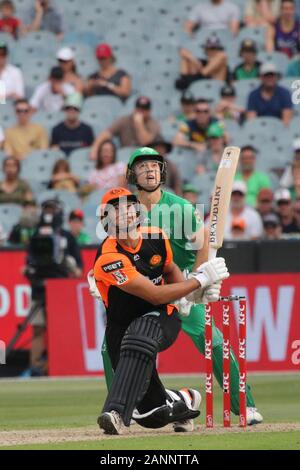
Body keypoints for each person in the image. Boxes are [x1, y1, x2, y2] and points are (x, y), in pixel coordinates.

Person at [99, 148, 263, 428]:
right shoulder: (123, 207)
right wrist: (98, 281)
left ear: (162, 172)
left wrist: (200, 282)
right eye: (142, 167)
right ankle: (126, 410)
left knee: (214, 341)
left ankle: (245, 407)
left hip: (180, 285)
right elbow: (109, 251)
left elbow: (202, 245)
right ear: (131, 174)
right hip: (142, 294)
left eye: (154, 165)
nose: (150, 171)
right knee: (111, 348)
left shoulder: (182, 208)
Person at [91, 186, 228, 434]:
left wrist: (186, 295)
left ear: (138, 211)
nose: (125, 212)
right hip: (120, 328)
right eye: (116, 210)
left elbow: (169, 267)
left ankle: (116, 414)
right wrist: (198, 282)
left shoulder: (156, 235)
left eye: (129, 206)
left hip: (160, 317)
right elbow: (152, 292)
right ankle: (182, 399)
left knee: (140, 334)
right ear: (106, 220)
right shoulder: (109, 257)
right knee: (150, 414)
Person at [26, 199, 83, 376]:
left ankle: (58, 367)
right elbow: (29, 263)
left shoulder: (67, 237)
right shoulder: (36, 235)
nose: (49, 214)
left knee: (60, 330)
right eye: (47, 210)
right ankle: (34, 368)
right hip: (39, 288)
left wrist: (70, 265)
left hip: (60, 290)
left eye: (53, 210)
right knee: (37, 328)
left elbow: (79, 270)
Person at [89, 96, 161, 159]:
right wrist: (95, 148)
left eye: (144, 110)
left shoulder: (153, 123)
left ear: (149, 111)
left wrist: (139, 124)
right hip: (125, 156)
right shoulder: (125, 120)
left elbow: (145, 143)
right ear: (135, 109)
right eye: (139, 108)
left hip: (145, 157)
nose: (141, 112)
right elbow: (106, 134)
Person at [51, 93, 94, 157]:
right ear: (64, 110)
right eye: (68, 108)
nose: (72, 111)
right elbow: (53, 150)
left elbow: (91, 151)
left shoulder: (87, 130)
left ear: (80, 111)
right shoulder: (56, 129)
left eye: (75, 108)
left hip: (81, 163)